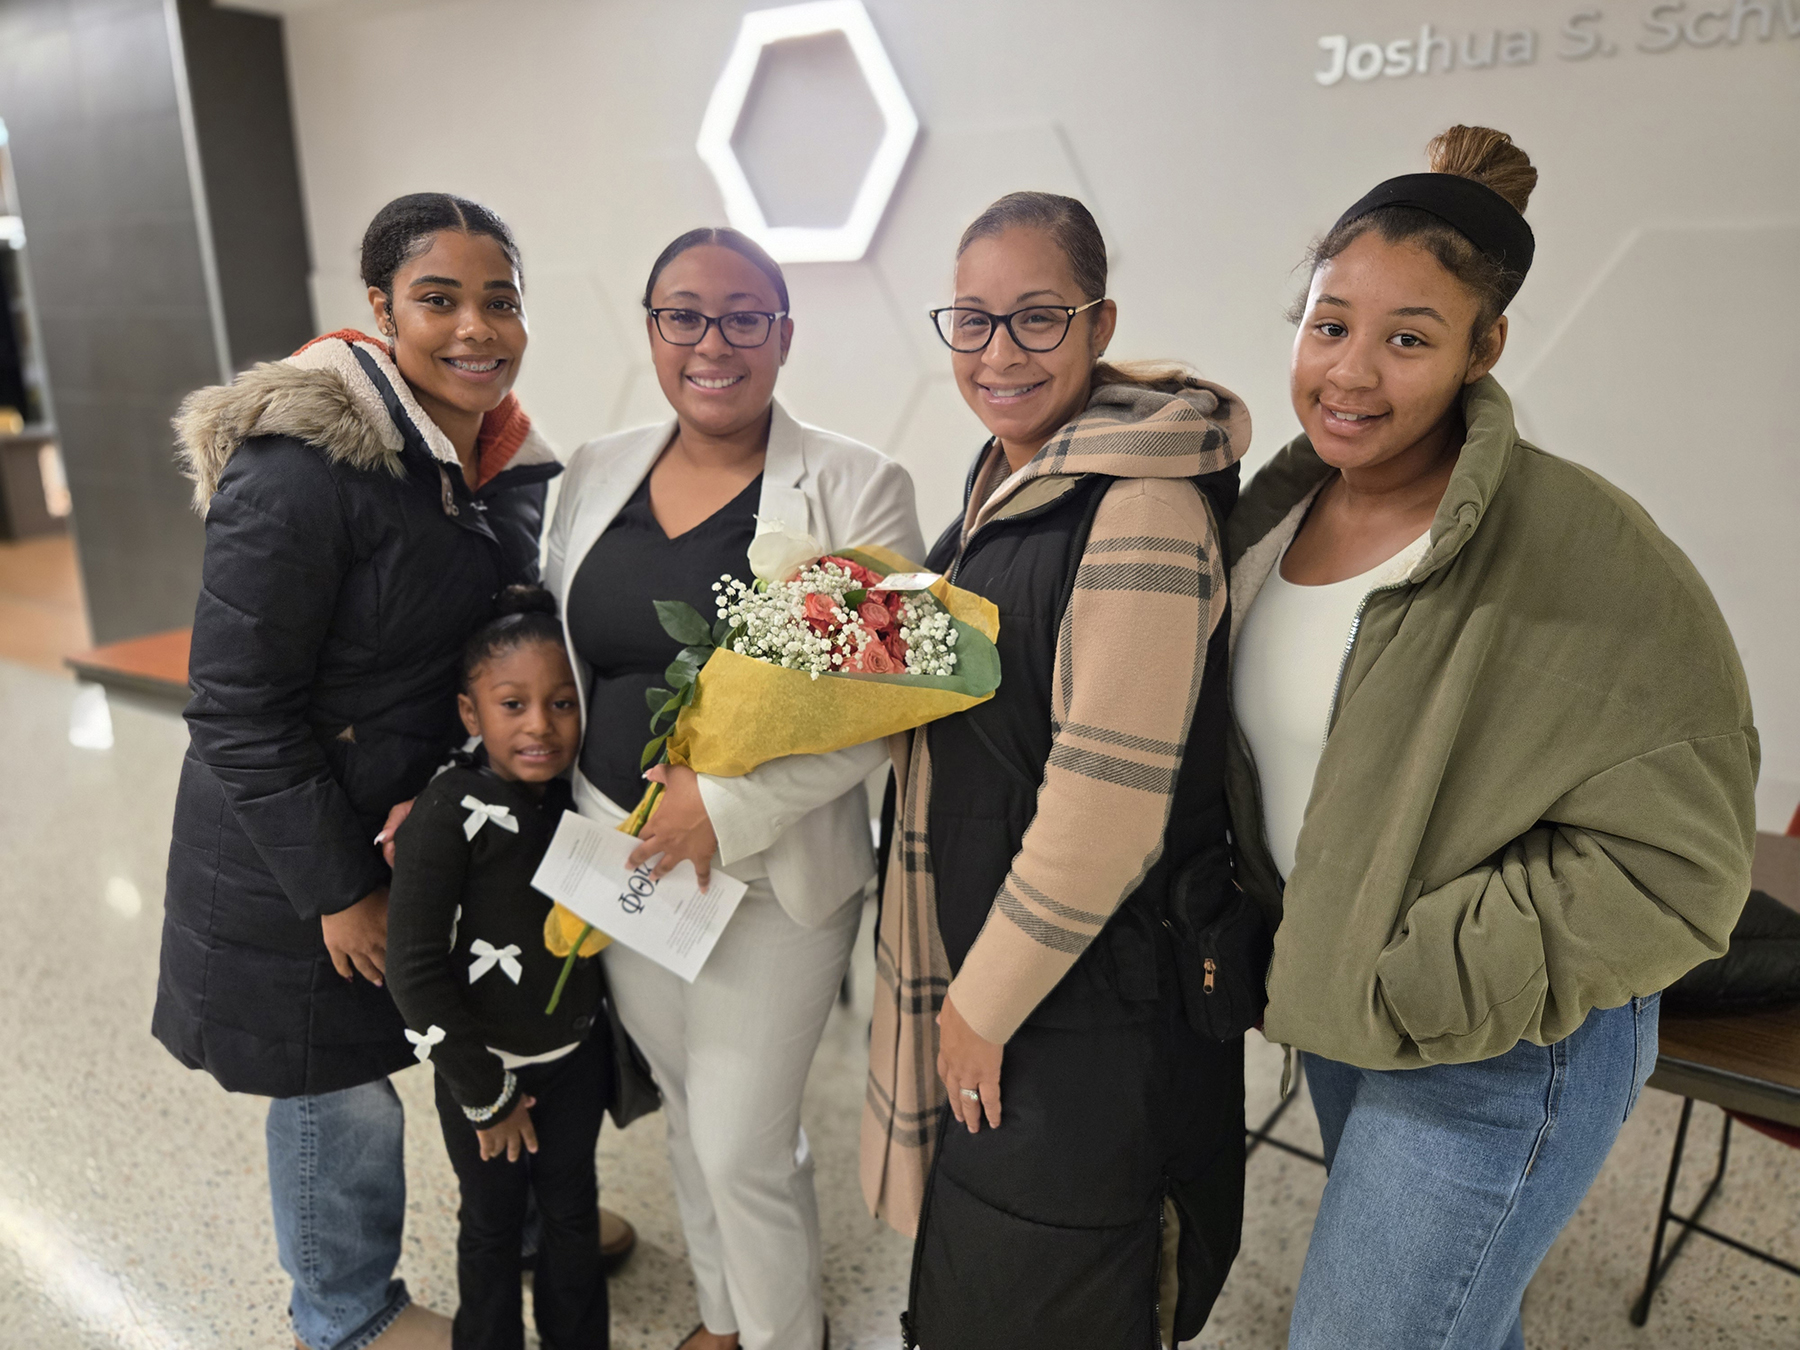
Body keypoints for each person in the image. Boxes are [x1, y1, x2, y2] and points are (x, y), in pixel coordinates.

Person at [1225, 126, 1758, 1350]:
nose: (1352, 373)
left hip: (1510, 1043)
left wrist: (1429, 965)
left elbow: (1681, 866)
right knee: (1457, 1322)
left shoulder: (1583, 547)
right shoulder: (1268, 522)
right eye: (1329, 324)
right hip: (1348, 1010)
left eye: (1408, 337)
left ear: (1485, 348)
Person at [155, 193, 562, 1350]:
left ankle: (520, 1224)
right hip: (297, 851)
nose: (476, 328)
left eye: (501, 301)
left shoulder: (496, 462)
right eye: (440, 300)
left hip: (422, 829)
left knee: (472, 1025)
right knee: (333, 1082)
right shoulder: (300, 469)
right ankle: (345, 1312)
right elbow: (234, 707)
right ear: (380, 310)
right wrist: (340, 885)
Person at [864, 191, 1250, 1350]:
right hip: (1019, 974)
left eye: (1037, 319)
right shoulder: (1009, 481)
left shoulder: (1140, 507)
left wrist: (979, 1007)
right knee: (989, 1282)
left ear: (1098, 322)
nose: (999, 352)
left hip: (1089, 1003)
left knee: (1058, 1292)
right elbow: (981, 685)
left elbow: (1105, 808)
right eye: (972, 321)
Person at [544, 226, 924, 1350]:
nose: (714, 342)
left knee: (745, 1142)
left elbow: (886, 698)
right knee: (683, 1108)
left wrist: (726, 807)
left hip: (773, 873)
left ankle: (781, 1337)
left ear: (783, 334)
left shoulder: (858, 485)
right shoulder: (594, 471)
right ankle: (722, 1318)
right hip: (621, 854)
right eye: (684, 315)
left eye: (744, 316)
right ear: (652, 327)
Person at [387, 587, 608, 1350]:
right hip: (483, 1074)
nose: (540, 726)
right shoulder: (446, 814)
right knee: (490, 1225)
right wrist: (487, 1094)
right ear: (470, 714)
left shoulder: (584, 803)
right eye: (512, 705)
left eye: (562, 704)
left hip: (574, 1061)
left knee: (573, 1213)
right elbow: (412, 971)